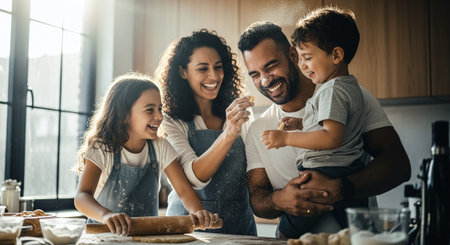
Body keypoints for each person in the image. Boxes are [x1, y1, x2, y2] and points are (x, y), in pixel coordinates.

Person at [238, 21, 411, 238]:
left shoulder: (353, 97)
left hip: (358, 240)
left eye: (271, 66)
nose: (264, 80)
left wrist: (341, 188)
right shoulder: (258, 129)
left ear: (293, 54)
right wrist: (280, 200)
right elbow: (257, 197)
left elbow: (399, 166)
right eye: (254, 74)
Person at [259, 7, 369, 236]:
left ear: (336, 56)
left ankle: (284, 236)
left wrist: (287, 137)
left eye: (308, 58)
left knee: (296, 219)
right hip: (346, 169)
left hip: (327, 170)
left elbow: (331, 137)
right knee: (351, 227)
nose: (303, 65)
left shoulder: (331, 90)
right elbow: (335, 125)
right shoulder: (349, 86)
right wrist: (300, 124)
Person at [74, 72, 218, 236]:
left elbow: (184, 191)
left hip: (146, 238)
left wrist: (198, 211)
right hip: (104, 238)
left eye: (159, 109)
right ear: (124, 115)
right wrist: (106, 215)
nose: (159, 116)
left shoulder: (160, 146)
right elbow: (81, 197)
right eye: (150, 110)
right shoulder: (102, 148)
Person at [154, 29, 257, 236]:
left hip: (240, 230)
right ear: (183, 72)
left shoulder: (241, 115)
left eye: (218, 67)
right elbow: (194, 177)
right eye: (203, 68)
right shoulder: (171, 121)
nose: (214, 76)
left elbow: (257, 171)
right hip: (188, 232)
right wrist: (228, 134)